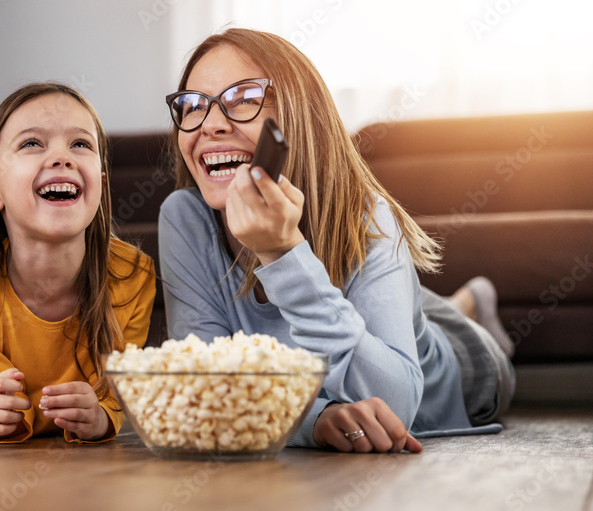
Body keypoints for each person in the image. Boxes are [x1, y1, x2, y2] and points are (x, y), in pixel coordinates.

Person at [158, 29, 515, 453]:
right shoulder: (185, 218)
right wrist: (316, 419)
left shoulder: (367, 216)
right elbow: (209, 386)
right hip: (362, 329)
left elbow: (394, 407)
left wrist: (283, 254)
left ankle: (469, 305)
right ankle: (453, 303)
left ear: (297, 116)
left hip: (459, 364)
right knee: (396, 311)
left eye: (244, 99)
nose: (211, 124)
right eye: (193, 105)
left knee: (450, 338)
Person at [0, 83, 156, 443]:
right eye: (32, 143)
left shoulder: (133, 276)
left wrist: (102, 417)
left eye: (81, 144)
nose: (63, 157)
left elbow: (116, 395)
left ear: (102, 185)